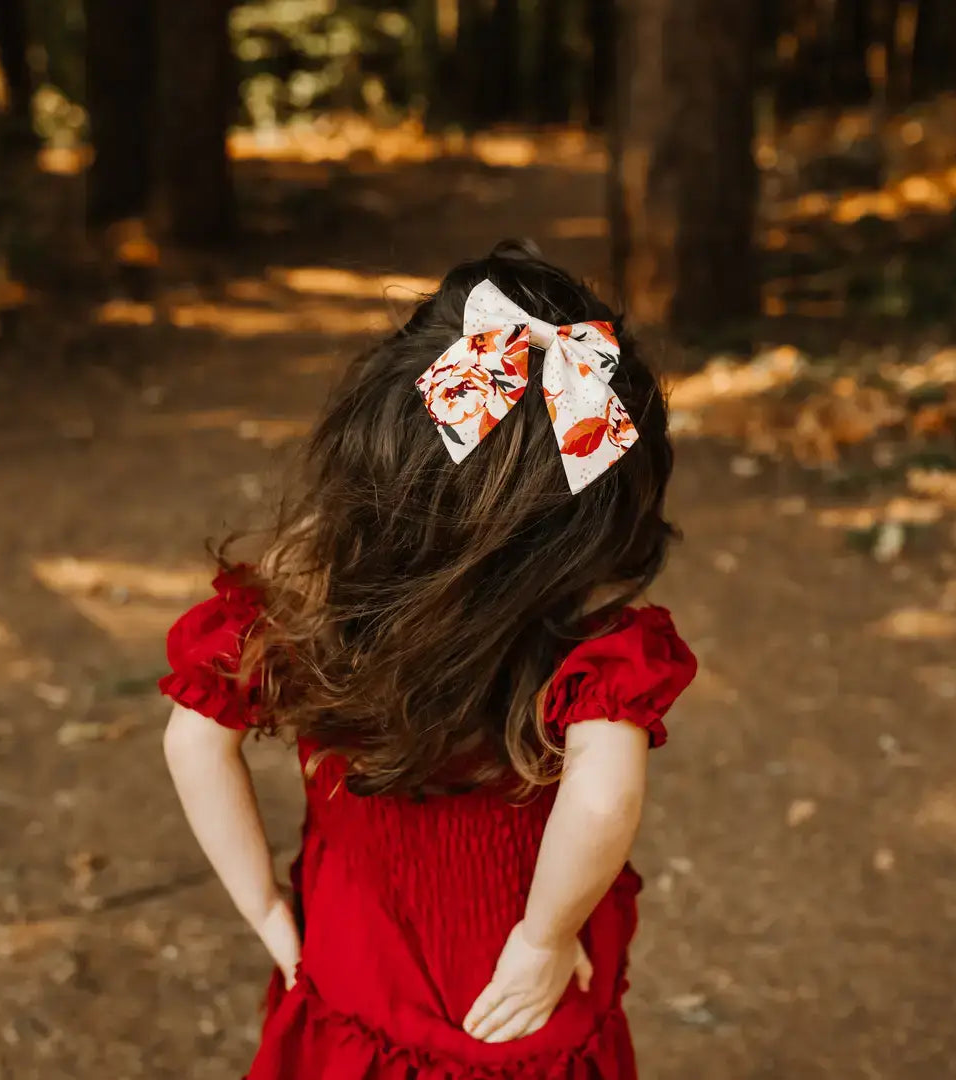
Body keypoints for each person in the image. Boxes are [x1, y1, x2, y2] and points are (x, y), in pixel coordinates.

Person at [160, 242, 697, 1079]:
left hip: (358, 960)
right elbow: (600, 800)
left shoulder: (307, 602)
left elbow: (193, 738)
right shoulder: (592, 651)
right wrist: (546, 934)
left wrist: (266, 904)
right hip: (516, 992)